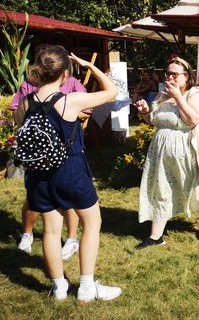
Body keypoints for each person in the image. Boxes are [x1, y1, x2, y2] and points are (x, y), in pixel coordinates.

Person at [14, 44, 121, 302]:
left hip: (39, 174)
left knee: (51, 230)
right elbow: (112, 91)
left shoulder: (26, 102)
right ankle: (86, 287)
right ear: (65, 73)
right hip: (70, 171)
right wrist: (90, 66)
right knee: (92, 223)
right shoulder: (70, 101)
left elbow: (21, 126)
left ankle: (59, 287)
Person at [10, 53, 90, 260]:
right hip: (47, 159)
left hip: (56, 155)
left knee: (56, 218)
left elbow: (86, 111)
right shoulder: (29, 86)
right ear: (64, 70)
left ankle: (70, 240)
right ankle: (27, 234)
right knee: (42, 205)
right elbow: (18, 113)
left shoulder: (72, 85)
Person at [134, 57, 199, 248]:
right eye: (167, 73)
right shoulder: (162, 94)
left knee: (198, 187)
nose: (169, 77)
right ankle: (156, 236)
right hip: (161, 153)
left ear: (186, 76)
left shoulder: (196, 94)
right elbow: (154, 120)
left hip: (189, 151)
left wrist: (179, 97)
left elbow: (193, 119)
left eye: (174, 74)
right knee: (161, 189)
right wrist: (145, 111)